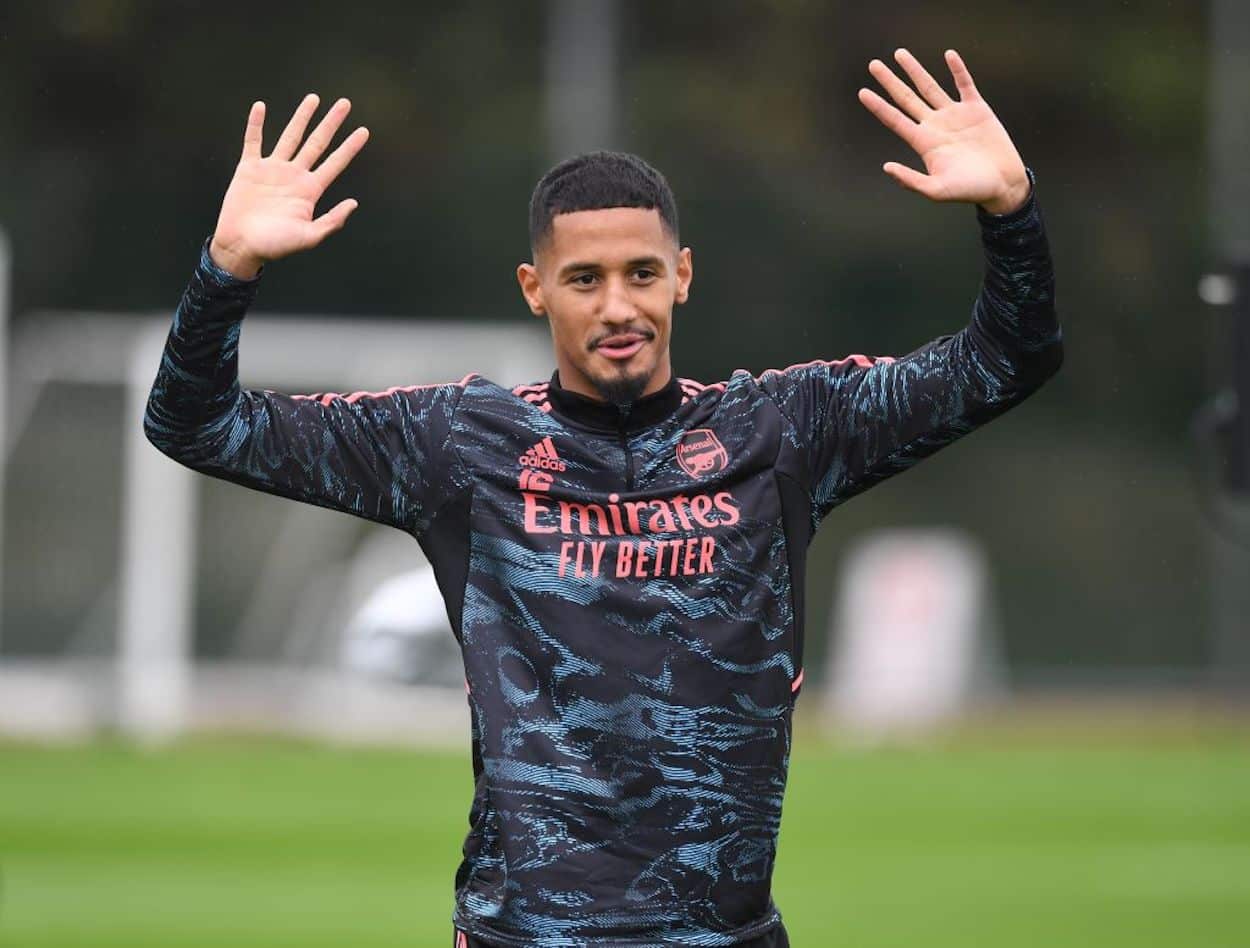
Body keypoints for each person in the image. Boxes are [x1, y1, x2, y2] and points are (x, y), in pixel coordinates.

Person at [145, 48, 1061, 948]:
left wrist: (1009, 211)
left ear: (683, 276)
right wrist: (228, 268)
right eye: (584, 280)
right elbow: (194, 424)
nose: (618, 306)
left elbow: (1006, 359)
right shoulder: (457, 445)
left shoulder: (783, 430)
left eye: (642, 273)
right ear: (536, 290)